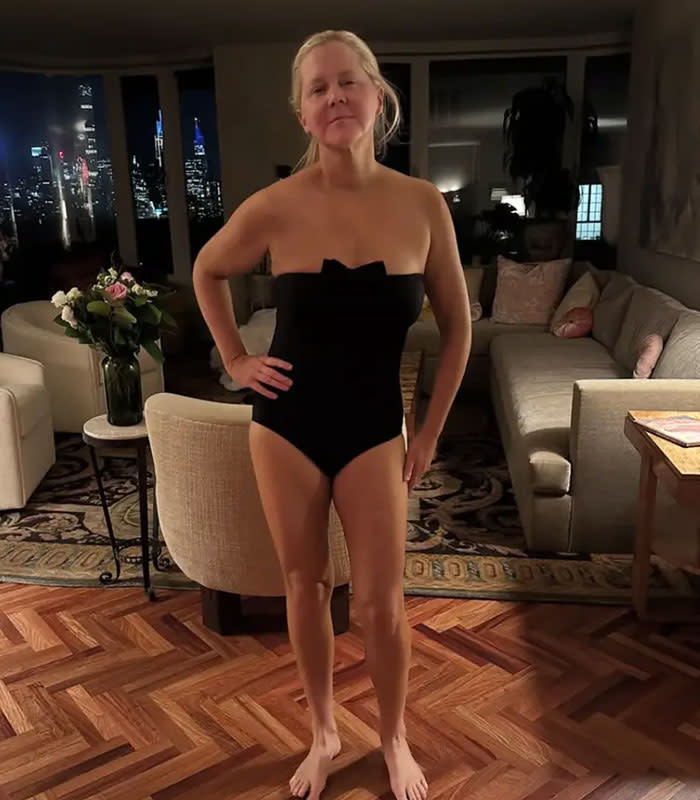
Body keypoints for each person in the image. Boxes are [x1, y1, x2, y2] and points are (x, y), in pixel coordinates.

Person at [193, 29, 470, 800]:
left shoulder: (422, 204)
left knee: (382, 601)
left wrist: (430, 432)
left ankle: (394, 737)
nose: (335, 97)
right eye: (318, 88)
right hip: (286, 424)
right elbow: (208, 270)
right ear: (302, 112)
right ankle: (322, 733)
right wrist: (236, 360)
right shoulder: (275, 206)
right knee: (304, 584)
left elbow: (460, 330)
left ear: (377, 96)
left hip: (374, 424)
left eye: (349, 82)